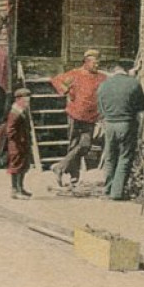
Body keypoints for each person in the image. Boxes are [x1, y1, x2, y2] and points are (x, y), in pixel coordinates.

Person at [50, 50, 106, 187]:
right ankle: (74, 176)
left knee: (85, 146)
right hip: (75, 114)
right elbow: (56, 80)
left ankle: (60, 167)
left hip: (91, 116)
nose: (96, 66)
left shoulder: (102, 77)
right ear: (86, 62)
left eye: (98, 63)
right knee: (74, 145)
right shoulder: (76, 74)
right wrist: (67, 91)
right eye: (94, 63)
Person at [97, 61, 144, 200]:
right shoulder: (133, 83)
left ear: (113, 70)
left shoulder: (103, 85)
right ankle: (117, 193)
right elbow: (142, 106)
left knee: (110, 157)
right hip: (126, 123)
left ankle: (107, 189)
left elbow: (100, 108)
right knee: (124, 157)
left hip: (109, 124)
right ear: (127, 70)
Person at [7, 88, 33, 199]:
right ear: (18, 100)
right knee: (16, 166)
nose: (27, 103)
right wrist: (18, 141)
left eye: (28, 101)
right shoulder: (15, 112)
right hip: (16, 144)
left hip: (23, 143)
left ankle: (20, 187)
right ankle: (15, 190)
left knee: (23, 166)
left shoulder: (23, 111)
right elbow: (10, 130)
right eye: (25, 101)